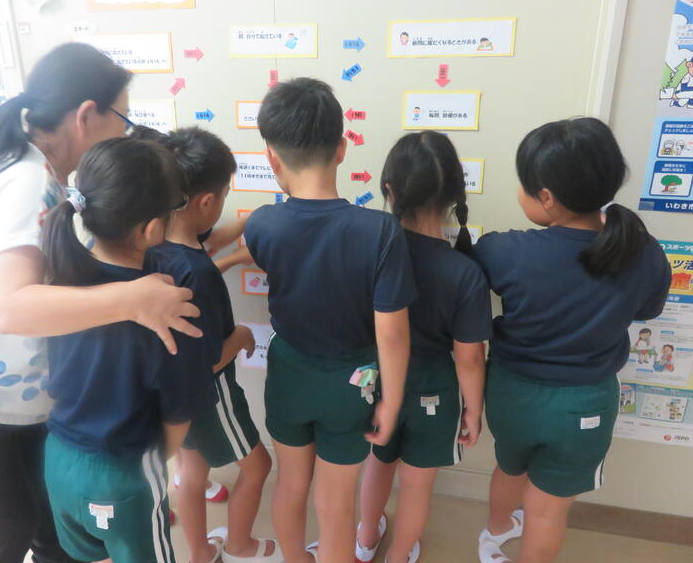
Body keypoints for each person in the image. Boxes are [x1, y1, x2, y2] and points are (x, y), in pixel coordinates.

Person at [0, 43, 201, 563]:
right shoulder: (26, 180)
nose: (125, 133)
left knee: (51, 532)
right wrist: (133, 297)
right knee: (3, 535)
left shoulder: (33, 172)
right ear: (87, 115)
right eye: (123, 119)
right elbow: (10, 308)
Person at [475, 118, 671, 563]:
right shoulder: (645, 252)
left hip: (511, 394)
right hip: (585, 404)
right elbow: (646, 311)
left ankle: (496, 531)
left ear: (546, 197)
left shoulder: (503, 250)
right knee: (547, 509)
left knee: (509, 465)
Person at [245, 77, 416, 563]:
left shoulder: (262, 223)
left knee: (290, 485)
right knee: (336, 504)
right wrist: (392, 402)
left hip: (288, 374)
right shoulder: (380, 230)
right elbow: (392, 333)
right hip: (352, 381)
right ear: (342, 149)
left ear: (271, 158)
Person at [42, 136, 213, 563]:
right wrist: (153, 467)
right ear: (152, 229)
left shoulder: (59, 285)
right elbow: (178, 416)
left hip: (57, 460)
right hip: (121, 476)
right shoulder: (172, 307)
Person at [141, 125, 280, 563]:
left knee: (191, 470)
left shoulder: (154, 245)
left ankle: (200, 552)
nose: (223, 208)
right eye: (223, 198)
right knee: (258, 466)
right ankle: (239, 545)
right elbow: (206, 361)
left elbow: (207, 245)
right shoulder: (197, 271)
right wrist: (241, 338)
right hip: (210, 392)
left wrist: (249, 229)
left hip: (172, 394)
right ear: (205, 202)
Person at [357, 131, 490, 563]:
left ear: (390, 190)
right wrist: (473, 409)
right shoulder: (465, 272)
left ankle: (365, 540)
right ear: (454, 195)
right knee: (417, 483)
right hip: (435, 387)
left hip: (379, 379)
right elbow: (470, 357)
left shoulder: (372, 253)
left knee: (378, 461)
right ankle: (398, 555)